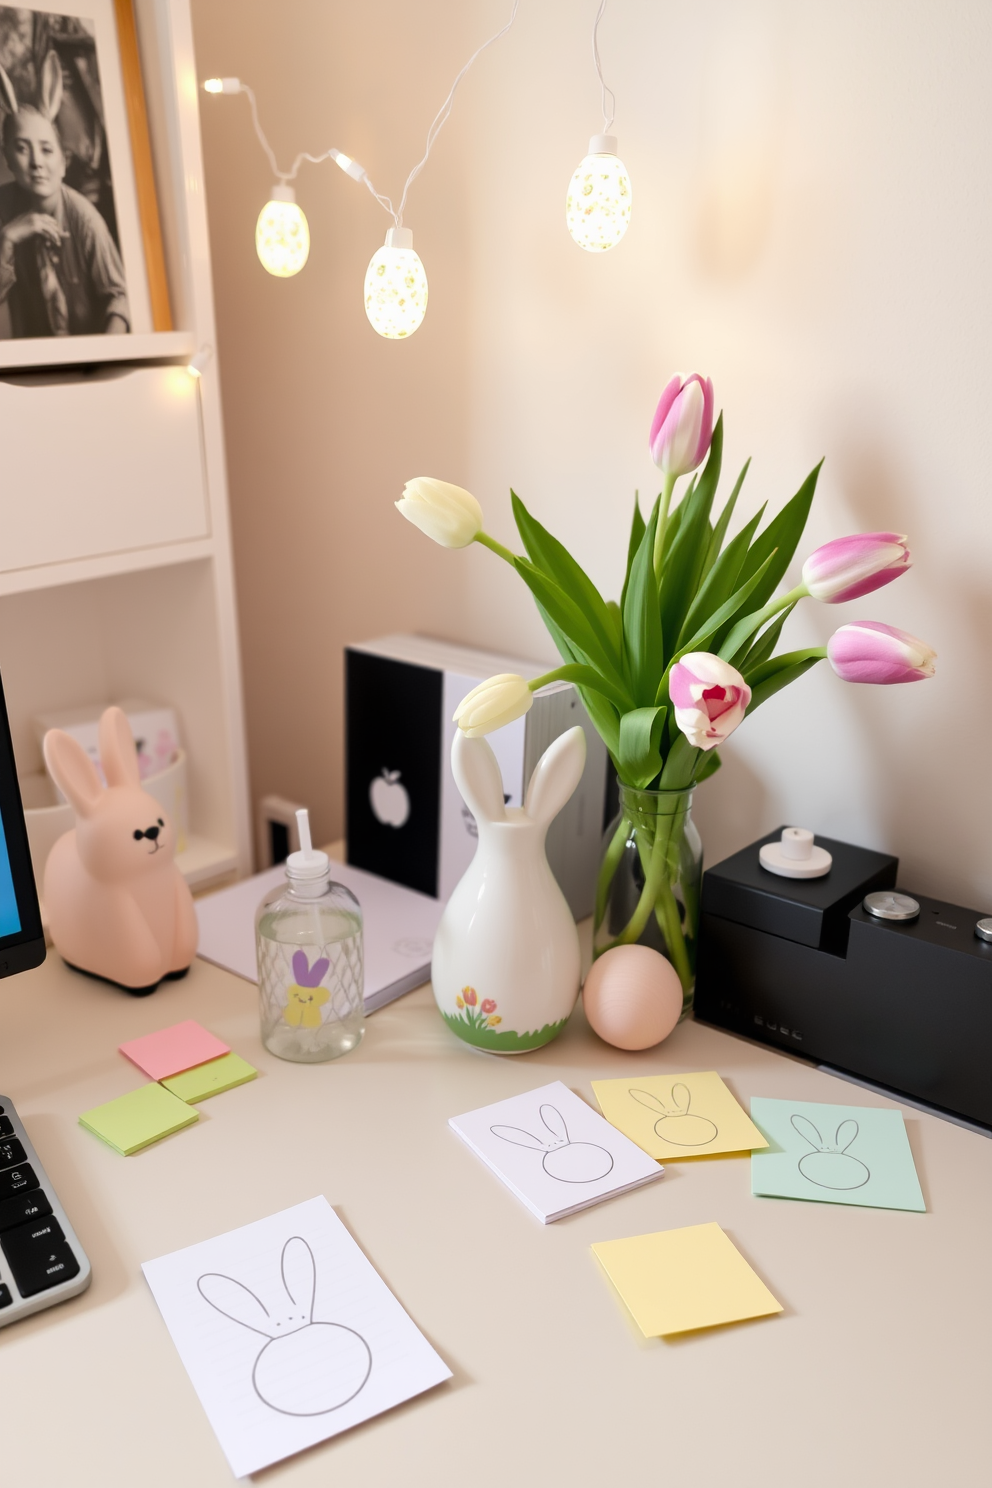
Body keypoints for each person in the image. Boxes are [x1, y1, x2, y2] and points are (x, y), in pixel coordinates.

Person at [0, 52, 129, 337]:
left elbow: (120, 298)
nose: (36, 162)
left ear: (64, 161)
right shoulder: (4, 207)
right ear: (7, 160)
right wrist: (6, 241)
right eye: (22, 148)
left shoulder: (85, 219)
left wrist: (100, 364)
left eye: (46, 149)